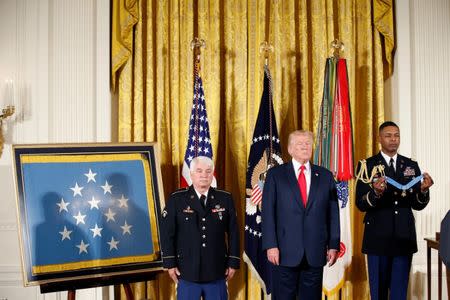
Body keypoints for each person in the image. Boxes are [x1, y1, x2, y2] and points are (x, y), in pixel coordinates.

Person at [355, 121, 434, 300]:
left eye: (396, 135)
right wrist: (375, 193)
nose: (393, 139)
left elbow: (417, 204)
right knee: (379, 294)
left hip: (403, 238)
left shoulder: (410, 165)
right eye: (388, 135)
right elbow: (360, 203)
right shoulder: (367, 165)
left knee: (399, 294)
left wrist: (423, 190)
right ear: (379, 139)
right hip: (378, 239)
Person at [262, 130, 340, 300]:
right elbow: (268, 212)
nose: (305, 146)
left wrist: (333, 244)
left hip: (315, 251)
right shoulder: (276, 175)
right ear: (290, 149)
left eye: (308, 143)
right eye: (300, 143)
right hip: (283, 252)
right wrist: (270, 245)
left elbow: (333, 213)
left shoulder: (325, 176)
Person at [160, 156, 240, 300]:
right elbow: (167, 233)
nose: (204, 175)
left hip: (217, 269)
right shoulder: (177, 199)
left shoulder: (225, 198)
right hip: (186, 270)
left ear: (213, 174)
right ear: (191, 174)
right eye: (199, 171)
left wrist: (233, 262)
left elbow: (234, 233)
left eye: (208, 171)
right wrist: (170, 263)